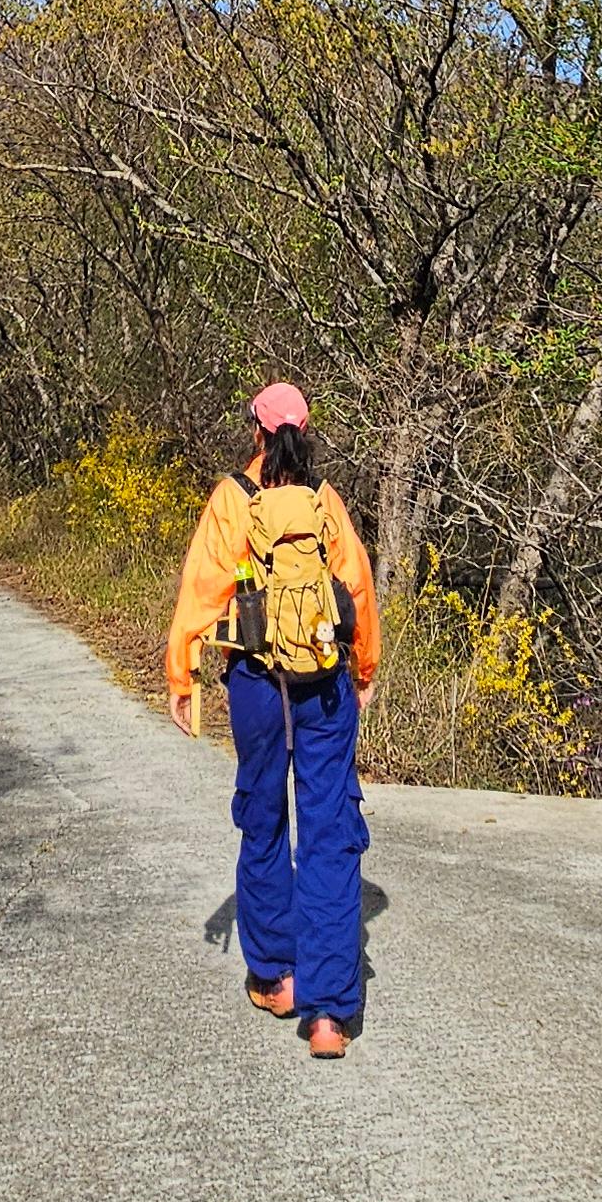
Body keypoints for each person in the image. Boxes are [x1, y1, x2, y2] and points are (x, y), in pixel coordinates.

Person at [165, 383, 380, 1057]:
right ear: (306, 431)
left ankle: (276, 977)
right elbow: (357, 587)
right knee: (329, 832)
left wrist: (180, 675)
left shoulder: (233, 498)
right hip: (324, 686)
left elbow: (202, 590)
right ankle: (328, 1014)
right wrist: (364, 669)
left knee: (264, 822)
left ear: (255, 432)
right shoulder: (325, 501)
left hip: (257, 685)